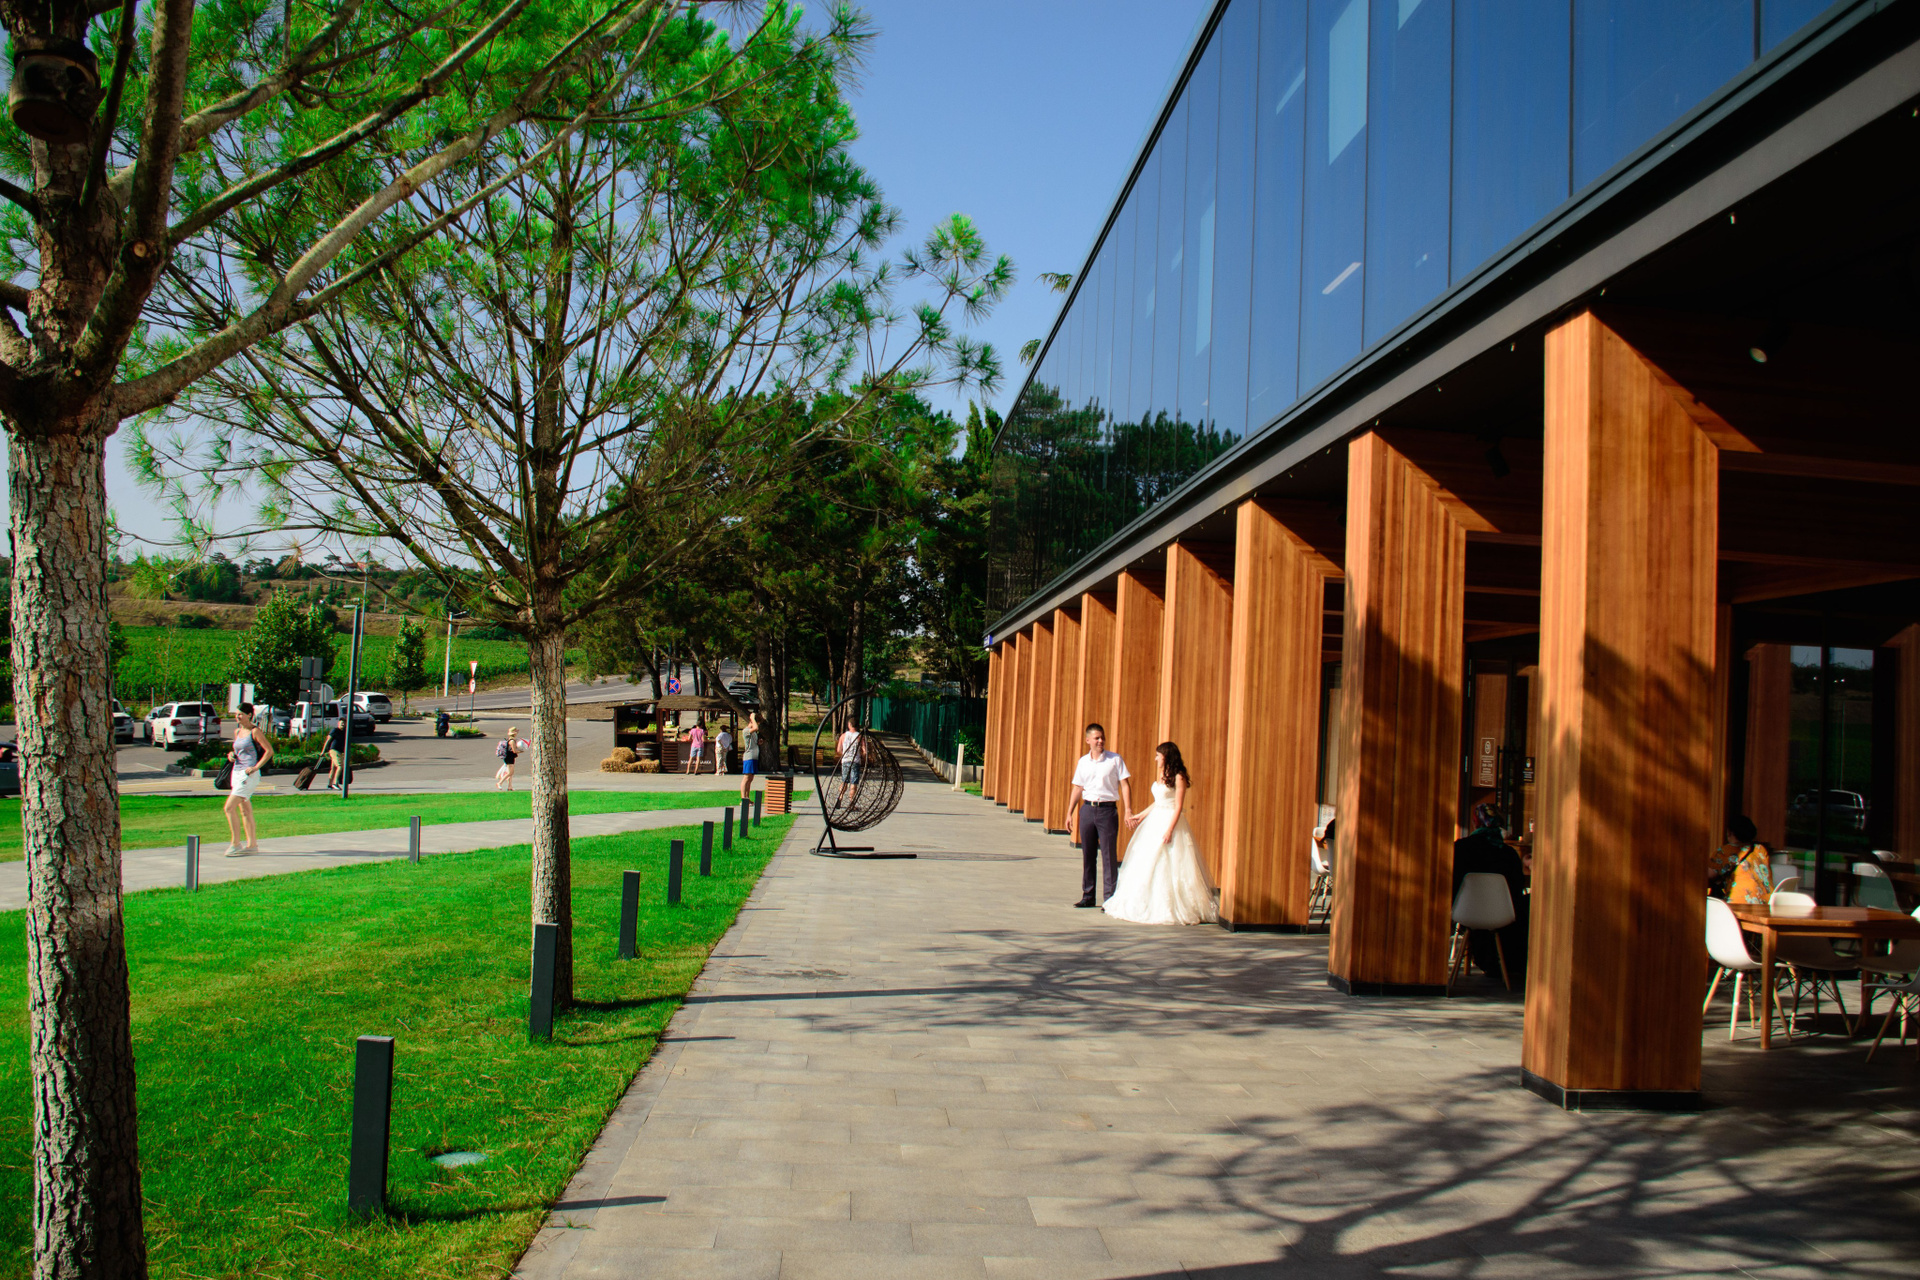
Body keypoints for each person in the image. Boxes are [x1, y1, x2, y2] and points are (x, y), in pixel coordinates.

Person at [1104, 741, 1216, 924]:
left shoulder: (1179, 777)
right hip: (1155, 820)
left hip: (1169, 821)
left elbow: (1178, 806)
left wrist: (1169, 830)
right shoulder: (1163, 775)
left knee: (1169, 860)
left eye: (1158, 755)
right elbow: (1158, 803)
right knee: (1147, 860)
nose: (1156, 759)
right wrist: (1139, 816)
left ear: (1166, 756)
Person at [1451, 802, 1530, 982]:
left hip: (1466, 914)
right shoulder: (1509, 854)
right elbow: (1517, 889)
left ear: (1475, 822)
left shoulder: (1460, 848)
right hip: (1503, 917)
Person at [1065, 723, 1133, 909]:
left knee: (1109, 855)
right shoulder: (1083, 762)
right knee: (1088, 854)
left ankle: (1110, 898)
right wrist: (1069, 812)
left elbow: (1125, 785)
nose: (1101, 741)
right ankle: (1088, 895)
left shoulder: (1115, 760)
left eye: (1102, 737)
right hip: (1088, 809)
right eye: (1096, 738)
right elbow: (1077, 787)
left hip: (1107, 811)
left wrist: (1128, 810)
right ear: (1088, 740)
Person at [222, 703, 274, 856]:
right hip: (236, 772)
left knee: (229, 808)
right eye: (236, 714)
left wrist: (256, 767)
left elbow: (269, 751)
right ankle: (252, 845)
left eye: (241, 714)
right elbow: (238, 750)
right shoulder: (238, 731)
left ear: (249, 715)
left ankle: (235, 844)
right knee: (245, 810)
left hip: (248, 774)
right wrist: (231, 755)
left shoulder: (254, 731)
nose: (237, 717)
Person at [1709, 814, 1774, 905]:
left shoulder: (1725, 852)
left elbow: (1709, 875)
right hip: (1766, 902)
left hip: (1740, 903)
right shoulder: (1760, 849)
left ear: (1729, 832)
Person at [837, 720, 864, 804]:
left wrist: (844, 755)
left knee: (844, 780)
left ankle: (840, 796)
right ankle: (851, 801)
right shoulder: (859, 736)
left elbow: (839, 750)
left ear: (849, 725)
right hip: (855, 761)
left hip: (845, 761)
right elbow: (865, 751)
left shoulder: (843, 736)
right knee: (854, 782)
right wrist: (862, 756)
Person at [495, 726, 529, 791]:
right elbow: (514, 751)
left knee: (510, 773)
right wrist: (521, 751)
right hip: (509, 757)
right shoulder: (512, 741)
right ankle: (499, 783)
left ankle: (510, 787)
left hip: (509, 757)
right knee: (510, 772)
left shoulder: (510, 739)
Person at [739, 711, 760, 802]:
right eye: (756, 722)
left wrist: (759, 743)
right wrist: (752, 718)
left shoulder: (754, 733)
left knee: (750, 778)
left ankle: (747, 798)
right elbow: (756, 727)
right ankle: (743, 799)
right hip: (749, 757)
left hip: (754, 757)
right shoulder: (746, 731)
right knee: (746, 778)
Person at [323, 717, 347, 790]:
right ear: (338, 723)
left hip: (340, 751)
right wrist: (323, 751)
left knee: (333, 768)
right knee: (340, 766)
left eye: (344, 723)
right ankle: (335, 783)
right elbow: (328, 740)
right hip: (334, 750)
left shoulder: (344, 732)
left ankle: (329, 785)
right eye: (341, 723)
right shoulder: (335, 730)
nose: (343, 724)